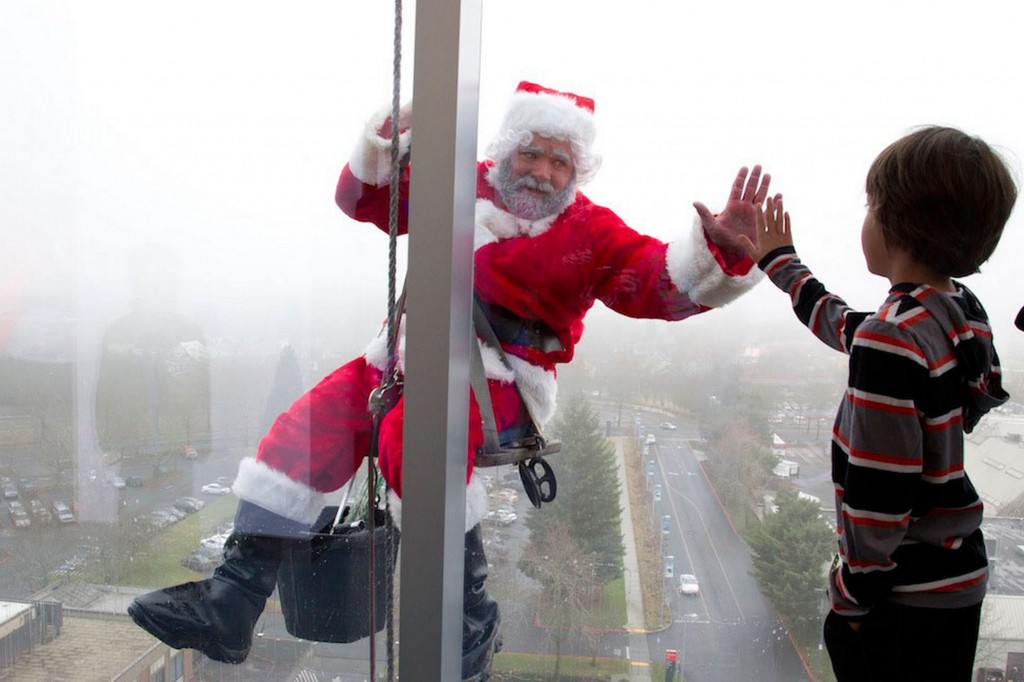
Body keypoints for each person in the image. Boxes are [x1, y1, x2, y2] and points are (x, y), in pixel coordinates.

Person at [129, 80, 773, 680]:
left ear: (577, 173)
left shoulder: (590, 232)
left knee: (415, 435)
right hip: (402, 360)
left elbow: (655, 285)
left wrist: (720, 257)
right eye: (532, 154)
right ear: (506, 150)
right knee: (302, 429)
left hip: (500, 385)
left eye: (559, 163)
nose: (543, 173)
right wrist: (389, 137)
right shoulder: (459, 187)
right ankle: (231, 602)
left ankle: (466, 631)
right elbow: (365, 201)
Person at [741, 126, 1017, 682]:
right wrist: (782, 263)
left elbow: (878, 499)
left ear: (898, 224)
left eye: (871, 205)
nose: (864, 219)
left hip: (901, 600)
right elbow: (849, 327)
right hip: (957, 580)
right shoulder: (956, 311)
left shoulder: (892, 339)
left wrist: (851, 599)